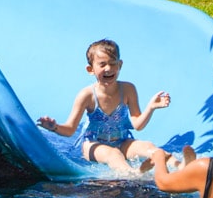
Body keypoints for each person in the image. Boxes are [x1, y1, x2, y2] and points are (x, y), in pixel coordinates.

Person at [37, 38, 170, 170]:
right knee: (114, 155)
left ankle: (180, 166)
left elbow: (137, 125)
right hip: (93, 144)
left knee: (147, 146)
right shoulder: (87, 95)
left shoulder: (128, 89)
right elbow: (70, 129)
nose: (109, 68)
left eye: (113, 63)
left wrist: (151, 108)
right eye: (102, 64)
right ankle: (133, 177)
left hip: (122, 141)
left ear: (120, 65)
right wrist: (54, 127)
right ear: (90, 69)